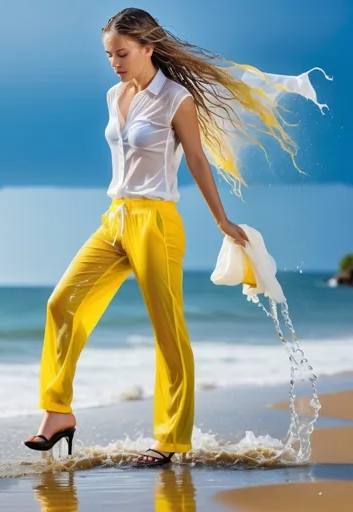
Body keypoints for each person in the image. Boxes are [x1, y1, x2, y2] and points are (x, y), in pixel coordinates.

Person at [24, 7, 303, 466]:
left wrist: (221, 219)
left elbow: (196, 158)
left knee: (167, 331)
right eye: (109, 54)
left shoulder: (176, 99)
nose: (114, 62)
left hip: (157, 222)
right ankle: (58, 413)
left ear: (148, 48)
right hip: (114, 219)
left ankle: (171, 438)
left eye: (123, 53)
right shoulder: (115, 95)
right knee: (62, 303)